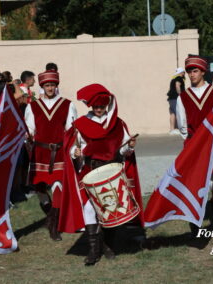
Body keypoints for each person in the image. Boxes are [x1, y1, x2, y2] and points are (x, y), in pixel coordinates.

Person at [71, 83, 144, 266]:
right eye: (95, 106)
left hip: (111, 171)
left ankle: (108, 245)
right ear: (90, 106)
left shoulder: (118, 123)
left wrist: (130, 146)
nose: (98, 109)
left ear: (106, 106)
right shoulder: (81, 124)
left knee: (110, 209)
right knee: (89, 208)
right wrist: (75, 152)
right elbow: (74, 146)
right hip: (90, 170)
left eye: (101, 106)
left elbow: (124, 149)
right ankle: (94, 251)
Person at [176, 55, 213, 230]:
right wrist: (190, 142)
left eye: (195, 71)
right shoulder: (182, 97)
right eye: (189, 71)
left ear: (203, 72)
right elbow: (182, 125)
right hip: (194, 147)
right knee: (194, 184)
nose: (192, 75)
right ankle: (194, 225)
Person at [24, 70, 77, 240]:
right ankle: (51, 217)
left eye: (52, 85)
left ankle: (54, 226)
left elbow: (71, 130)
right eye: (47, 85)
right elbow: (30, 129)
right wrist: (28, 136)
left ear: (56, 86)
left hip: (59, 152)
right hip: (40, 152)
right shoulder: (32, 106)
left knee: (58, 188)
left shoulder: (68, 105)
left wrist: (73, 149)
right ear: (42, 86)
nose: (50, 88)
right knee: (39, 189)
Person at [167, 67, 185, 134]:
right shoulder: (179, 78)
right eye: (183, 72)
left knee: (172, 113)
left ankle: (172, 129)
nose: (184, 73)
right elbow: (177, 86)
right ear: (181, 72)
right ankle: (178, 128)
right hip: (176, 98)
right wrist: (180, 95)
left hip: (171, 98)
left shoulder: (173, 78)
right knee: (178, 112)